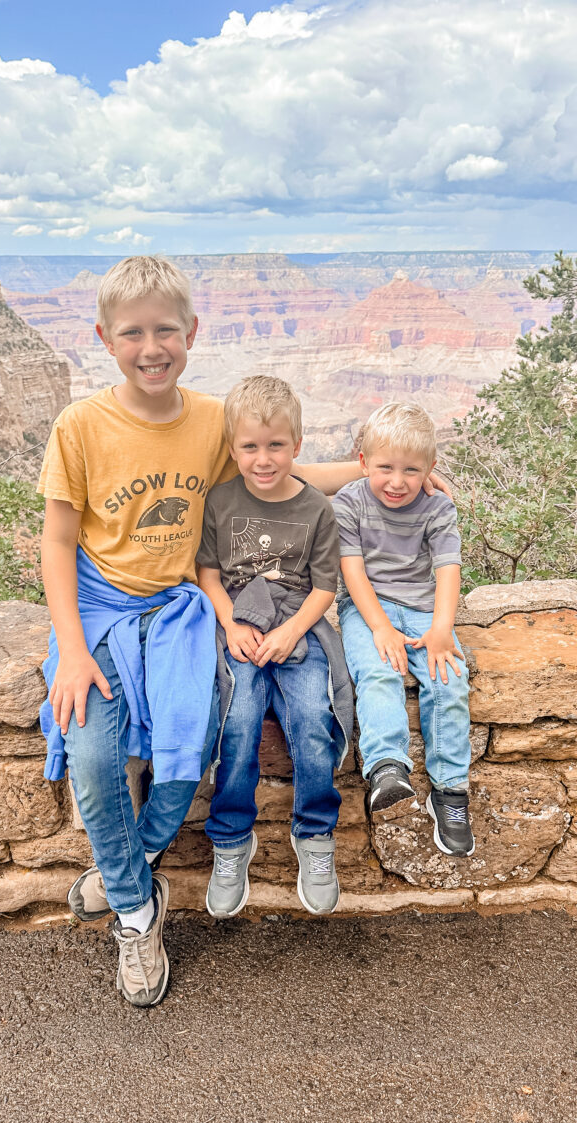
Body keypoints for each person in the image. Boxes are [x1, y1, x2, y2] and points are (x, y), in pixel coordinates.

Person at [37, 257, 453, 1008]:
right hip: (100, 611)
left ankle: (125, 870)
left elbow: (283, 473)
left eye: (166, 330)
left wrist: (394, 476)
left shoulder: (210, 421)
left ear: (192, 333)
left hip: (181, 611)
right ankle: (137, 909)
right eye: (132, 334)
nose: (151, 348)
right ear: (103, 337)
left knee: (191, 746)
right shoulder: (81, 426)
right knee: (93, 756)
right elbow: (57, 541)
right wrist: (70, 649)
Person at [196, 376, 352, 919]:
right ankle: (231, 838)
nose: (263, 460)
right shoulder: (221, 501)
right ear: (232, 448)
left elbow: (325, 588)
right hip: (239, 622)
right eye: (250, 447)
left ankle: (315, 833)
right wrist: (232, 626)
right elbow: (209, 574)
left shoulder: (316, 509)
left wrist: (291, 633)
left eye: (276, 446)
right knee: (237, 721)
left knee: (312, 717)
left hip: (297, 625)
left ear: (297, 444)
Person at [332, 402, 474, 856]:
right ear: (363, 463)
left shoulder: (437, 507)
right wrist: (380, 628)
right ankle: (387, 767)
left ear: (430, 468)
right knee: (378, 672)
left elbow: (447, 569)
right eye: (386, 468)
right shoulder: (349, 502)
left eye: (411, 470)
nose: (397, 482)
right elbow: (352, 571)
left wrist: (442, 629)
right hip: (366, 607)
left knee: (448, 678)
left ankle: (450, 791)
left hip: (422, 606)